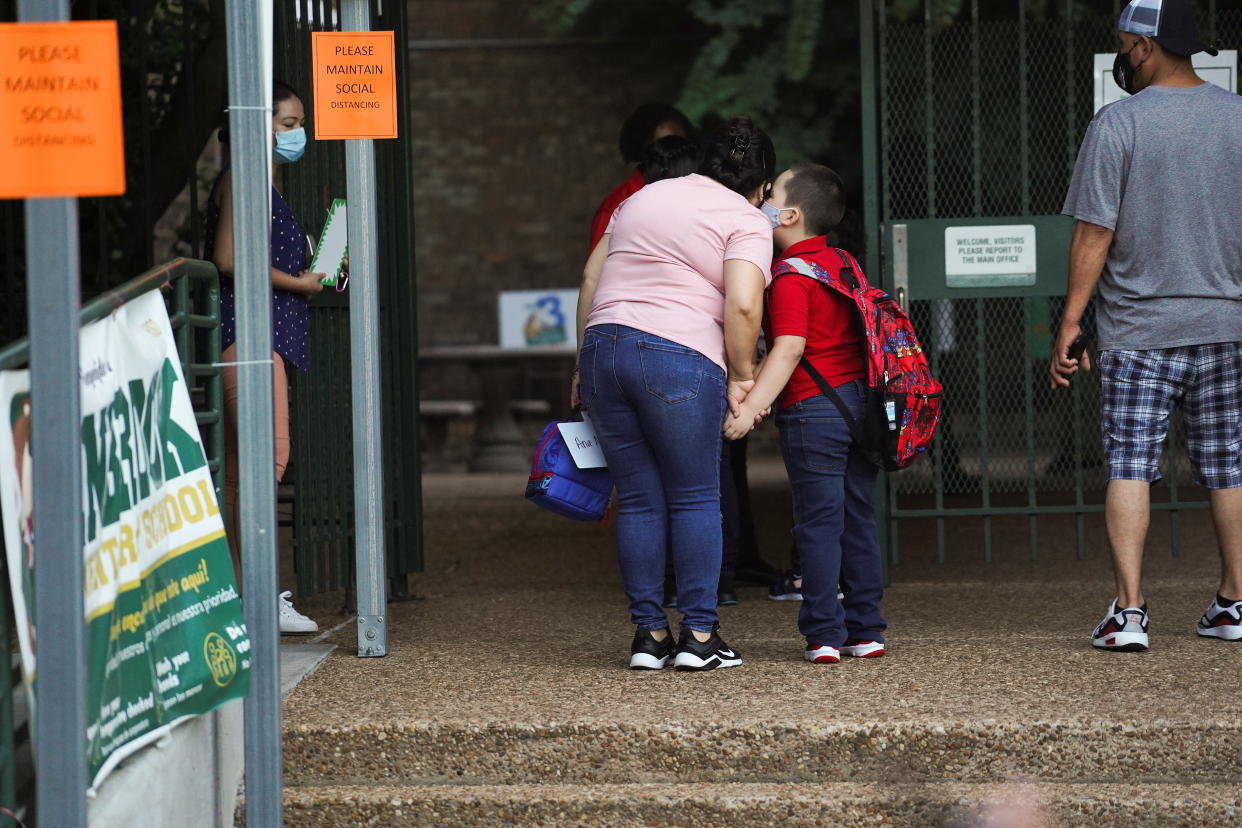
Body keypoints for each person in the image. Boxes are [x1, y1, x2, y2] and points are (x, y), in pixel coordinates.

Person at [1050, 0, 1242, 651]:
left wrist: (1071, 324)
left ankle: (1129, 613)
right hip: (1226, 327)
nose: (1124, 57)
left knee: (1130, 467)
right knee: (1229, 468)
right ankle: (1234, 603)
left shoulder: (1118, 124)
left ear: (1145, 46)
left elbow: (1092, 236)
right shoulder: (1238, 119)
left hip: (1138, 333)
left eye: (1126, 45)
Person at [574, 116, 775, 671]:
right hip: (679, 355)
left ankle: (649, 636)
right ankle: (701, 636)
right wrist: (741, 373)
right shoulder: (746, 219)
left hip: (603, 349)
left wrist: (581, 361)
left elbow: (591, 279)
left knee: (637, 497)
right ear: (762, 185)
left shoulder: (645, 198)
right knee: (694, 496)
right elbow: (742, 306)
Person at [724, 163, 887, 664]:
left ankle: (823, 634)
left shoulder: (791, 275)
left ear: (790, 214)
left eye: (770, 194)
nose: (762, 198)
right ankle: (866, 629)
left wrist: (749, 410)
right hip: (861, 406)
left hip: (814, 413)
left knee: (817, 524)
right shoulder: (844, 263)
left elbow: (790, 348)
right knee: (857, 518)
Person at [207, 80, 325, 635]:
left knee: (243, 470)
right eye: (286, 123)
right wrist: (298, 283)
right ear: (258, 126)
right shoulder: (244, 179)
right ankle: (257, 593)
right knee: (267, 458)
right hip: (251, 333)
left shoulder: (266, 183)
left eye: (299, 122)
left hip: (262, 333)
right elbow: (228, 258)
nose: (296, 133)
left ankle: (239, 592)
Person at [588, 101, 696, 253]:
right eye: (664, 148)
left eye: (680, 148)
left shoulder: (704, 198)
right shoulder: (615, 207)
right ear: (644, 150)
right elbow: (596, 272)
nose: (673, 156)